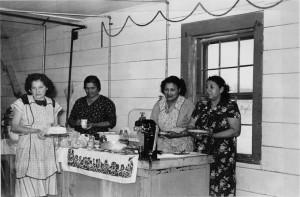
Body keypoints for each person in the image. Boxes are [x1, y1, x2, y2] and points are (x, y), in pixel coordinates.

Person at [187, 75, 241, 197]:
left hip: (223, 155)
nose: (208, 90)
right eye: (206, 87)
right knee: (201, 186)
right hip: (202, 152)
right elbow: (190, 125)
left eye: (212, 87)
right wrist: (196, 134)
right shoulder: (201, 105)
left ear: (221, 89)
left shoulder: (230, 106)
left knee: (221, 188)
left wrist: (212, 135)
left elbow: (235, 131)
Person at [11, 73, 62, 197]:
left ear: (47, 88)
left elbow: (55, 126)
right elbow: (14, 126)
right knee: (28, 189)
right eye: (34, 88)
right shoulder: (22, 102)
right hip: (29, 150)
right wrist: (35, 131)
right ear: (29, 89)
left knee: (44, 190)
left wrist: (58, 134)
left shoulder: (53, 104)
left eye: (40, 87)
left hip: (47, 151)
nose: (37, 91)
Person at [150, 76, 195, 153]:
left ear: (179, 90)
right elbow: (153, 124)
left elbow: (194, 128)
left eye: (172, 90)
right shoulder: (159, 104)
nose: (169, 93)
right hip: (162, 144)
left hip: (182, 146)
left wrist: (178, 135)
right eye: (166, 90)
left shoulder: (188, 105)